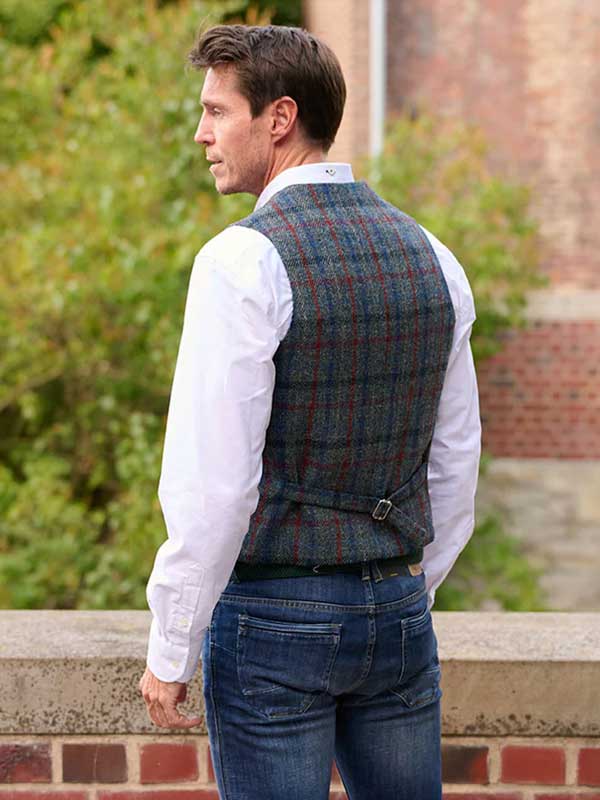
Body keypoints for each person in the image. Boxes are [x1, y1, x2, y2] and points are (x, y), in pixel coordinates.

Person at [139, 23, 481, 800]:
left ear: (280, 118)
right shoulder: (433, 255)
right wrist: (401, 591)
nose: (201, 134)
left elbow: (214, 487)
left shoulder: (240, 261)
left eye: (217, 111)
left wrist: (171, 646)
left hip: (274, 619)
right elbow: (456, 460)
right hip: (398, 609)